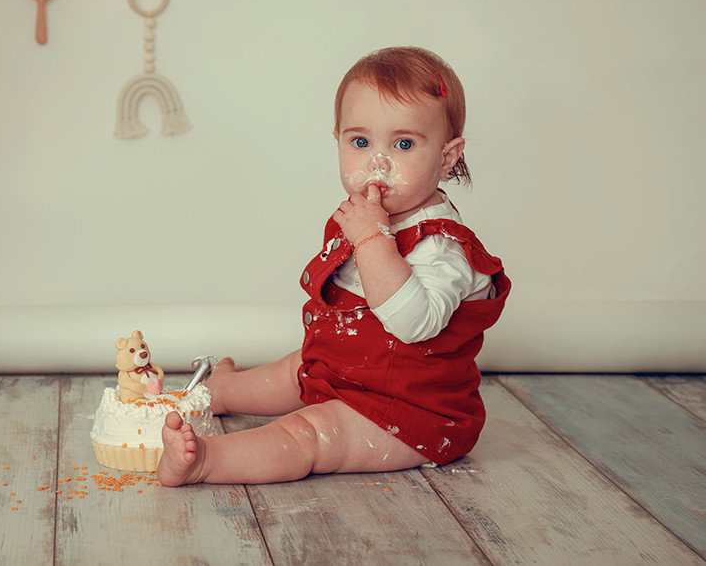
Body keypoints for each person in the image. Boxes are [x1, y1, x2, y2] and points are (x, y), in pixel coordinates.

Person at [157, 46, 512, 486]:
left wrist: (371, 238)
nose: (377, 162)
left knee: (309, 433)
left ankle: (207, 461)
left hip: (409, 412)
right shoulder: (372, 215)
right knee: (295, 368)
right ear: (338, 140)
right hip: (346, 370)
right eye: (360, 142)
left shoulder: (443, 246)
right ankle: (221, 391)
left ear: (447, 156)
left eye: (403, 144)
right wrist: (371, 232)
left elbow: (414, 324)